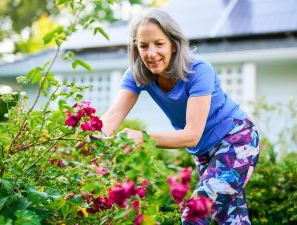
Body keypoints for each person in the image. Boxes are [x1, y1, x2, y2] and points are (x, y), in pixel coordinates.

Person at [95, 8, 260, 225]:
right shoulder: (138, 75)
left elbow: (191, 135)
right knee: (231, 219)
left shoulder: (198, 70)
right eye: (143, 46)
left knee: (194, 215)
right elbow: (113, 115)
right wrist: (93, 133)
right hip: (204, 153)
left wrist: (142, 138)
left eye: (159, 44)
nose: (151, 53)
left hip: (237, 141)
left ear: (174, 44)